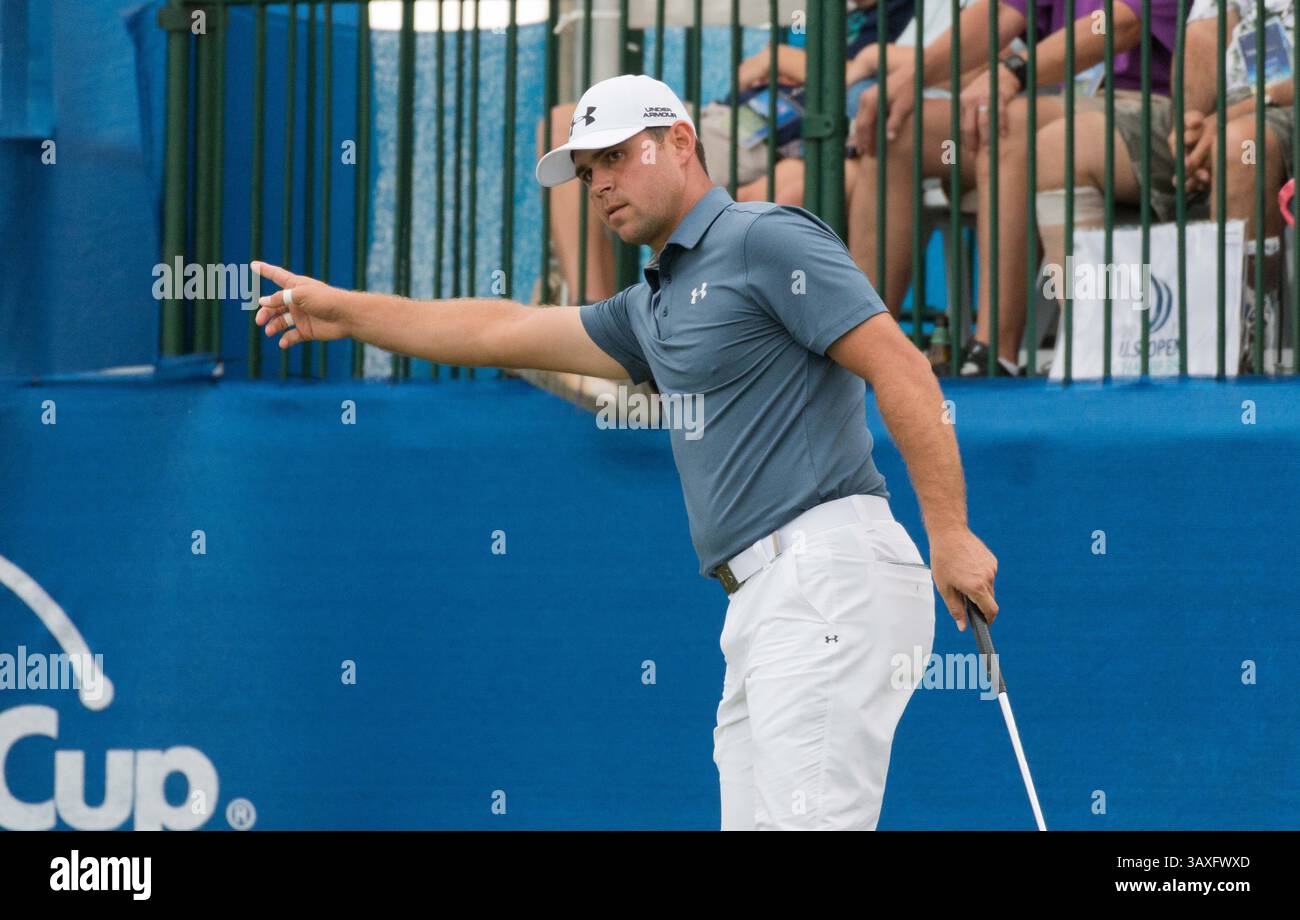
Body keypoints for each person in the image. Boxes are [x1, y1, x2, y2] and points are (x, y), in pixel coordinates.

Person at [252, 74, 1000, 830]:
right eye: (586, 173)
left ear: (679, 142)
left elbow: (900, 366)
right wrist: (347, 311)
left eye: (614, 157)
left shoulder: (765, 237)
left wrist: (950, 530)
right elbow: (496, 330)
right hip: (766, 601)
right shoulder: (653, 304)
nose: (600, 184)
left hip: (824, 577)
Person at [852, 0, 1173, 376]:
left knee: (1007, 123)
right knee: (895, 134)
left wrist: (1015, 72)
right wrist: (908, 80)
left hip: (1153, 108)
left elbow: (1118, 25)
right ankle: (864, 350)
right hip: (1063, 103)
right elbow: (997, 15)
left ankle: (991, 352)